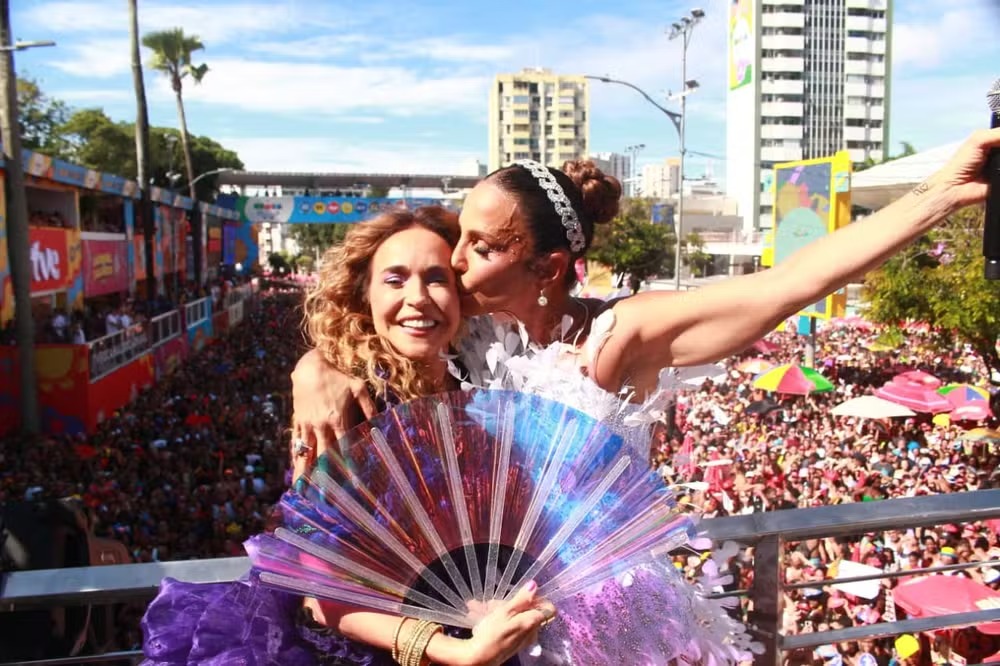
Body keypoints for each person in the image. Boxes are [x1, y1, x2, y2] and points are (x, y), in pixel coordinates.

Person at [291, 128, 1000, 451]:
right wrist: (315, 367)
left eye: (480, 245)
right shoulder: (458, 321)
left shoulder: (621, 332)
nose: (453, 261)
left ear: (547, 269)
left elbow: (793, 282)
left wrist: (940, 194)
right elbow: (367, 311)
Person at [142, 207, 550, 666]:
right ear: (365, 296)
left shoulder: (482, 394)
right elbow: (318, 584)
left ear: (461, 295)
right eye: (395, 280)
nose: (418, 298)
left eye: (437, 279)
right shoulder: (350, 406)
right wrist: (455, 651)